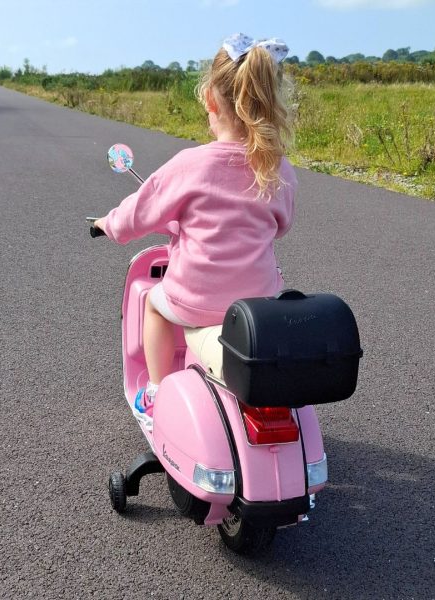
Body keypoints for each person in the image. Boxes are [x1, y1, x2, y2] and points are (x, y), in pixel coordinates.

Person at [94, 33, 297, 429]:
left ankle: (155, 391)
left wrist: (108, 223)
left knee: (154, 302)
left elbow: (137, 213)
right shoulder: (278, 169)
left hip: (197, 303)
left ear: (210, 100)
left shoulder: (191, 164)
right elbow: (281, 225)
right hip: (257, 308)